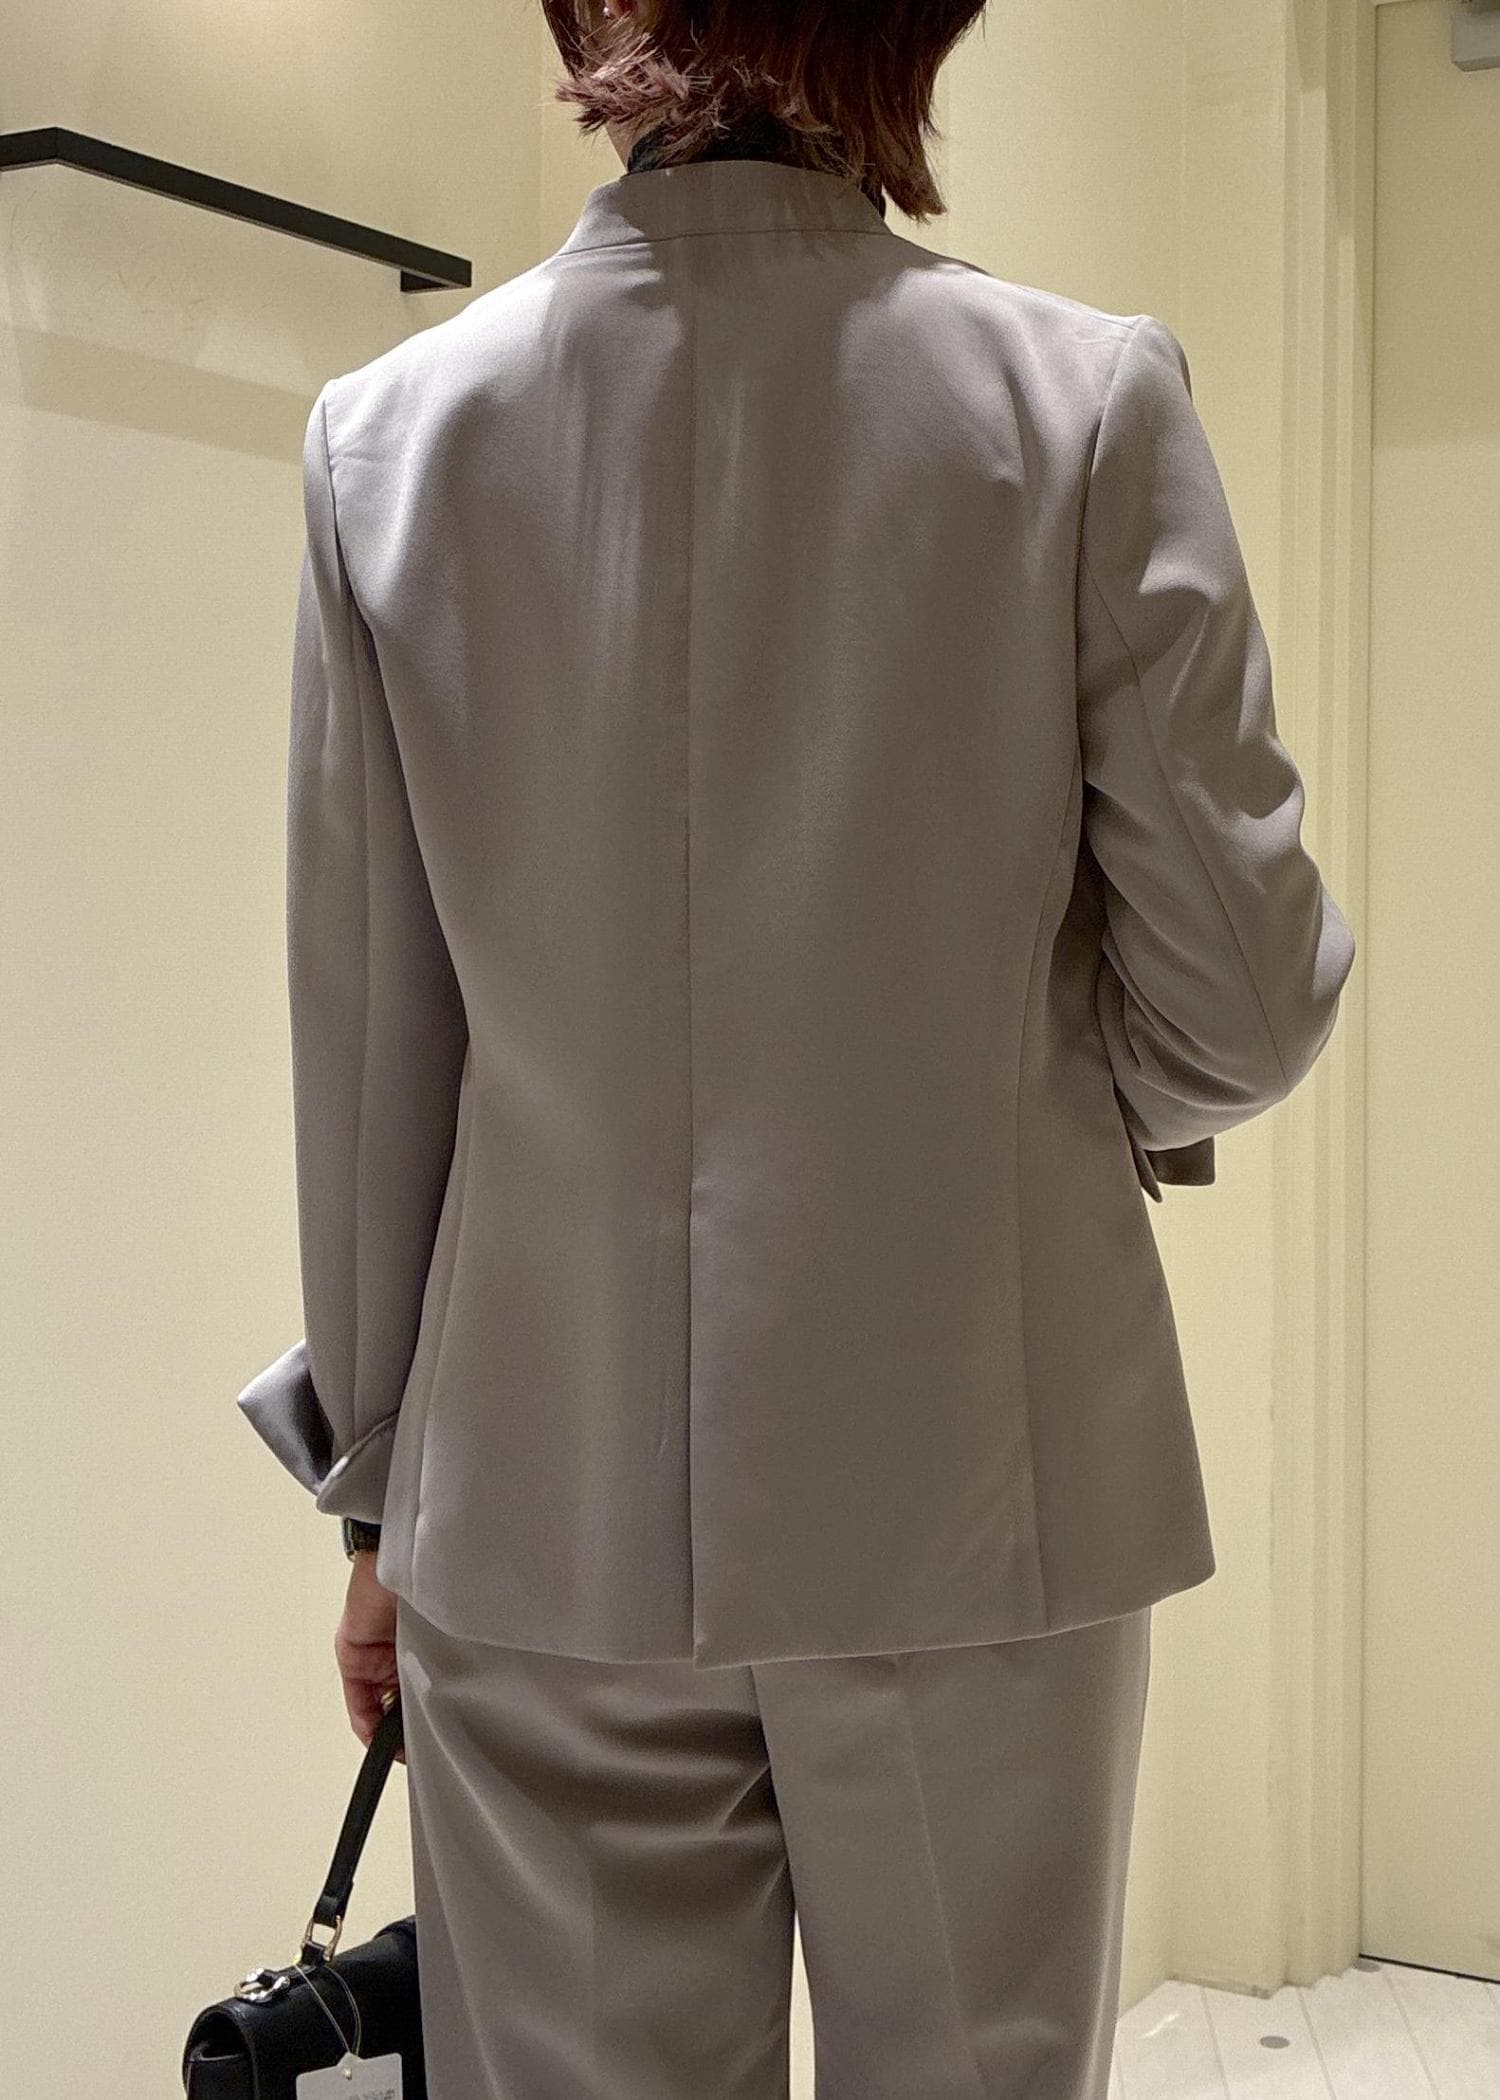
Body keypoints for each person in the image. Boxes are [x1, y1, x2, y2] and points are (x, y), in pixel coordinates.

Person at [236, 0, 1357, 2091]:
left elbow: (374, 1048)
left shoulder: (388, 436)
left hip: (540, 1488)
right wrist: (1032, 1089)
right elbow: (1244, 994)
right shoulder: (1078, 402)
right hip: (977, 1477)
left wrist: (381, 1495)